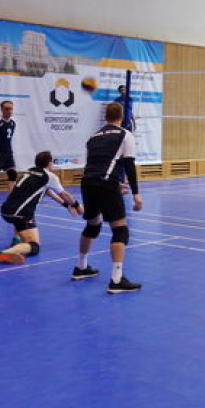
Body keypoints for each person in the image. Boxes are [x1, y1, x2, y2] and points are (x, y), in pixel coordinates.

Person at [72, 102, 142, 293]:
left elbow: (93, 165)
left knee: (93, 225)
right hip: (105, 184)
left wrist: (114, 182)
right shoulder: (125, 134)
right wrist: (136, 194)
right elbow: (129, 165)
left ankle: (81, 267)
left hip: (88, 182)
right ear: (122, 117)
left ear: (106, 117)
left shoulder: (93, 137)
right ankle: (117, 280)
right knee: (120, 230)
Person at [0, 151, 82, 264]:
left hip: (5, 210)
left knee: (20, 218)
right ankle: (7, 252)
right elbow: (65, 194)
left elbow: (48, 192)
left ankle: (16, 240)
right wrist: (77, 205)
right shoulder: (49, 176)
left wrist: (66, 205)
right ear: (49, 163)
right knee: (35, 246)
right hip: (21, 214)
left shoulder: (29, 172)